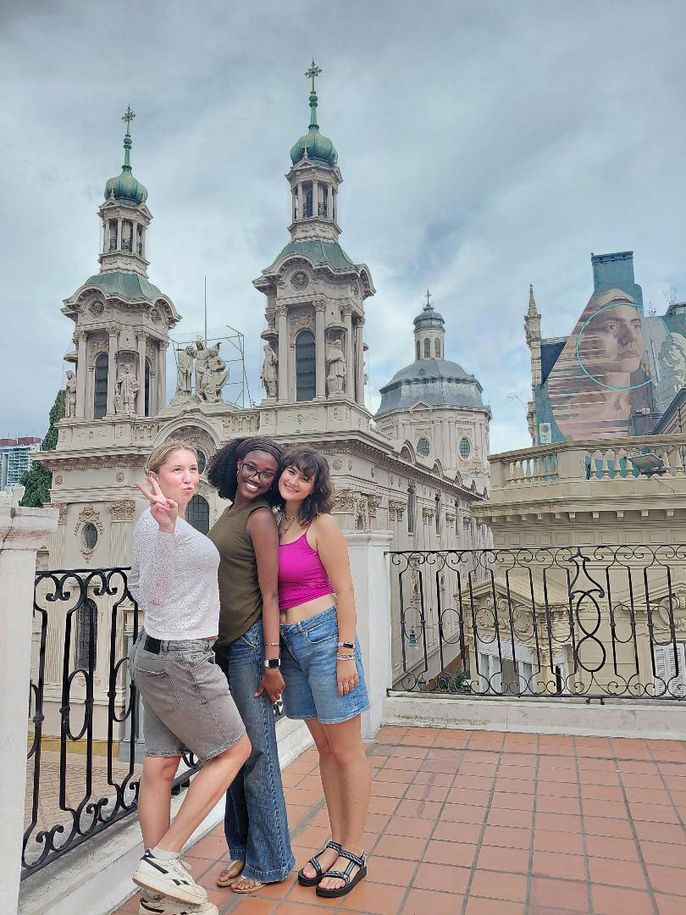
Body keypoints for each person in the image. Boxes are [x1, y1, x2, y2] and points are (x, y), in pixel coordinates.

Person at [128, 441, 251, 915]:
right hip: (182, 659)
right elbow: (154, 593)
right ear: (154, 476)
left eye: (193, 468)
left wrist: (167, 530)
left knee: (160, 766)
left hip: (158, 655)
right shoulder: (155, 524)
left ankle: (157, 898)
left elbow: (139, 584)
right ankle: (164, 859)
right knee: (234, 749)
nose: (188, 476)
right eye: (176, 468)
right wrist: (162, 531)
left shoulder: (175, 524)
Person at [276, 447, 371, 899]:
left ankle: (354, 849)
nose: (294, 480)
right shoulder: (276, 525)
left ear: (316, 486)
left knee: (347, 750)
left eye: (304, 477)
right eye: (290, 471)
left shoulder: (322, 526)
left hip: (324, 639)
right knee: (325, 748)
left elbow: (345, 591)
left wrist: (346, 653)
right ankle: (335, 840)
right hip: (291, 646)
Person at [206, 437, 295, 894]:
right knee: (233, 754)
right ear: (237, 463)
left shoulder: (260, 518)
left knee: (257, 754)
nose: (256, 478)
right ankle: (240, 851)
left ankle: (272, 861)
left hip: (247, 645)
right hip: (221, 647)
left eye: (266, 474)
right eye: (251, 467)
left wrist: (271, 660)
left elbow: (271, 592)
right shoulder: (231, 511)